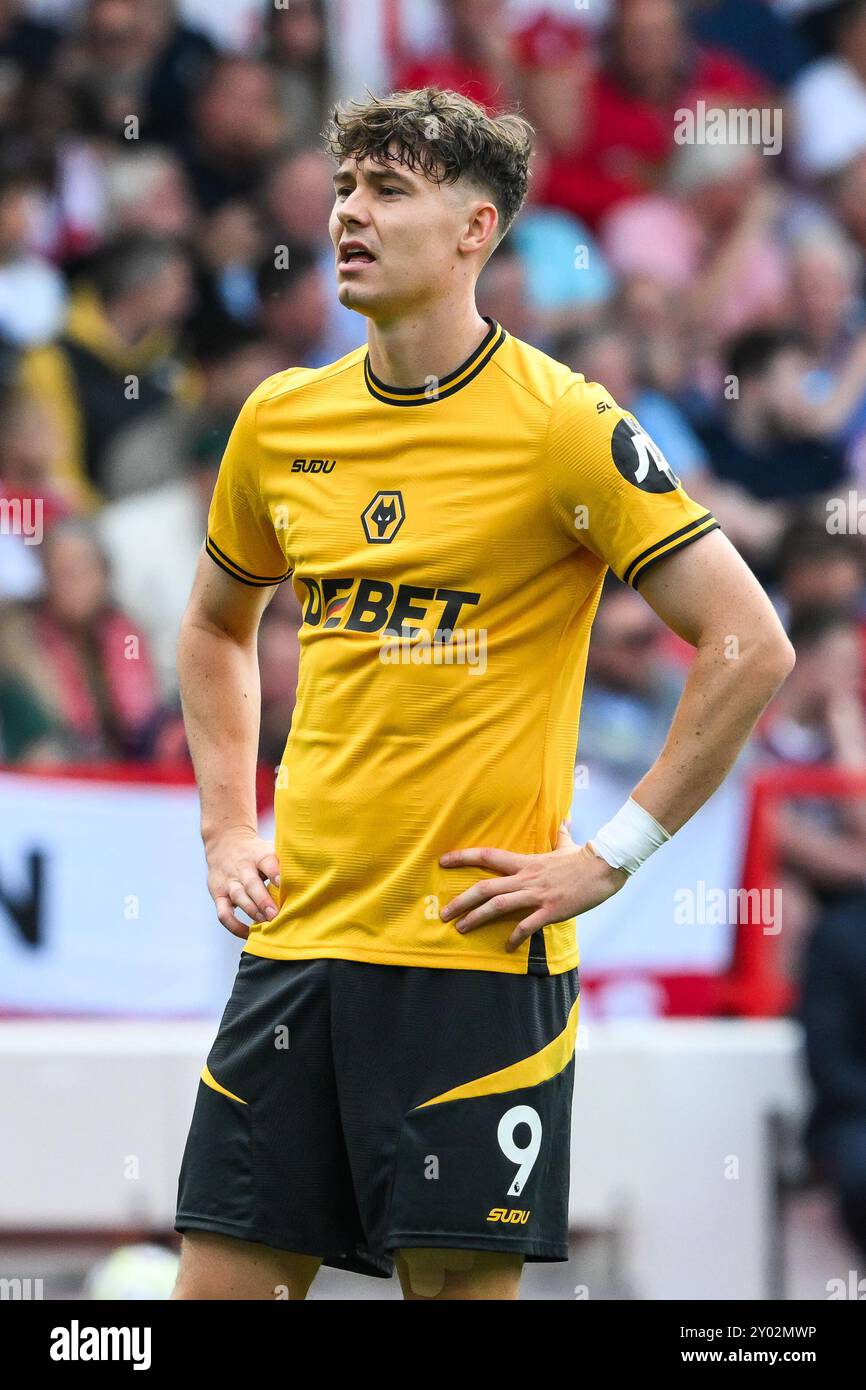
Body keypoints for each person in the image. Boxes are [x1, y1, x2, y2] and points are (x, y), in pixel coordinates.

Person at [172, 85, 794, 1302]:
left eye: (387, 191)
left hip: (472, 958)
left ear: (473, 230)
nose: (349, 213)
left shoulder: (562, 424)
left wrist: (610, 855)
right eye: (346, 188)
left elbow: (748, 642)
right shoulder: (281, 420)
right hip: (296, 946)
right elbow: (210, 624)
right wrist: (225, 823)